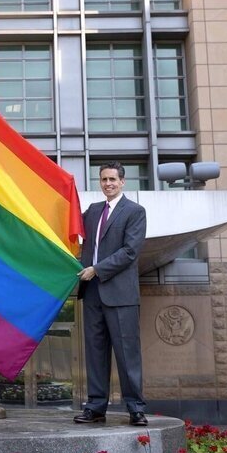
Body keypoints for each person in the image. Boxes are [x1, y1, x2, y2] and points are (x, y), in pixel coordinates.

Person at [74, 162, 148, 426]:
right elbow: (71, 222)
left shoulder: (135, 212)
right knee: (95, 353)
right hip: (92, 292)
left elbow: (130, 251)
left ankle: (135, 408)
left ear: (122, 182)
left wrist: (96, 269)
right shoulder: (93, 211)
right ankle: (95, 407)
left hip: (120, 294)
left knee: (127, 354)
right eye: (104, 179)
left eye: (112, 179)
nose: (108, 184)